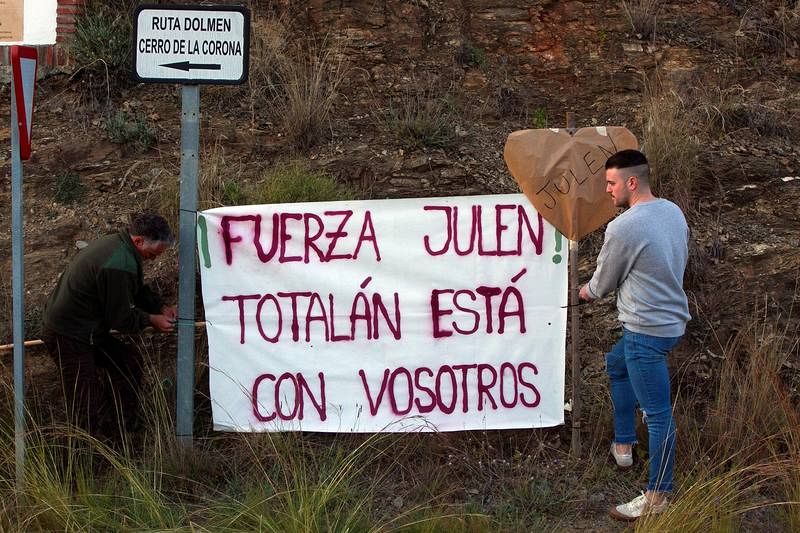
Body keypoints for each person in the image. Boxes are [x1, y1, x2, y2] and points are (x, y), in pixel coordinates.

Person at [578, 149, 691, 521]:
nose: (607, 191)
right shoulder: (672, 211)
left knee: (659, 416)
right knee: (615, 363)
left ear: (631, 182)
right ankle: (623, 443)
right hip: (672, 321)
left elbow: (604, 281)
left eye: (611, 183)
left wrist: (586, 292)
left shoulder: (624, 226)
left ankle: (658, 496)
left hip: (645, 330)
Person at [42, 212, 177, 435]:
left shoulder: (122, 247)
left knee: (128, 362)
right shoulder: (118, 262)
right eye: (152, 255)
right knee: (85, 403)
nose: (152, 260)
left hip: (88, 330)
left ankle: (122, 431)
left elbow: (134, 288)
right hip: (68, 335)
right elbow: (121, 319)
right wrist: (152, 320)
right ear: (139, 241)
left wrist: (160, 307)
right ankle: (86, 457)